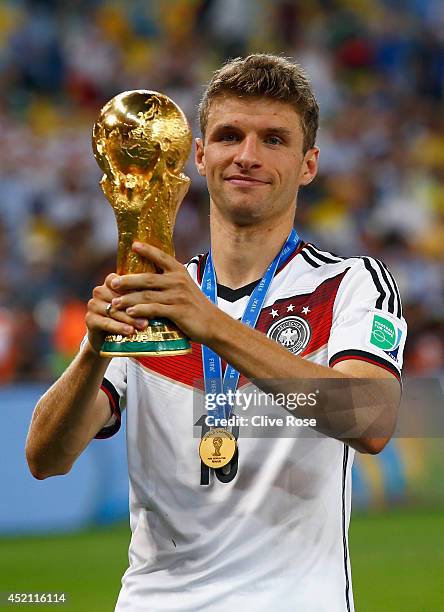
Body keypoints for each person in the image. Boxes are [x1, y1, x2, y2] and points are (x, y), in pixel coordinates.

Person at [26, 54, 407, 611]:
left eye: (274, 140)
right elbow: (45, 458)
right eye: (230, 136)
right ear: (200, 156)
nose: (247, 156)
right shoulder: (152, 300)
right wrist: (94, 352)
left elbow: (371, 418)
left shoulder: (349, 284)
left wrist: (211, 324)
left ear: (308, 165)